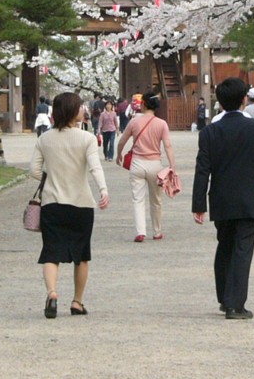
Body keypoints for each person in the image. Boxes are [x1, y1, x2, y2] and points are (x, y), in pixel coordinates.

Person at [192, 77, 254, 320]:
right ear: (244, 99)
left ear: (220, 103)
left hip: (222, 200)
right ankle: (236, 305)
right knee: (242, 250)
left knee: (224, 246)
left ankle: (225, 299)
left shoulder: (210, 132)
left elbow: (203, 169)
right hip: (251, 198)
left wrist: (199, 204)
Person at [30, 92, 110, 318]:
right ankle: (77, 301)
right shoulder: (87, 139)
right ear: (74, 111)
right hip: (81, 203)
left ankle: (52, 292)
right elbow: (95, 167)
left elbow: (34, 171)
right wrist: (103, 190)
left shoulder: (44, 139)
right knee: (81, 254)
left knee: (51, 252)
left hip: (52, 203)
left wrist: (52, 177)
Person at [114, 94, 177, 242]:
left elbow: (122, 140)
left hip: (137, 163)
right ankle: (157, 231)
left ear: (143, 105)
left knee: (138, 199)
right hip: (155, 164)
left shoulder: (134, 122)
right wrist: (172, 166)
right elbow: (168, 146)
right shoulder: (161, 124)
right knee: (156, 200)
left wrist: (119, 155)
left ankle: (140, 231)